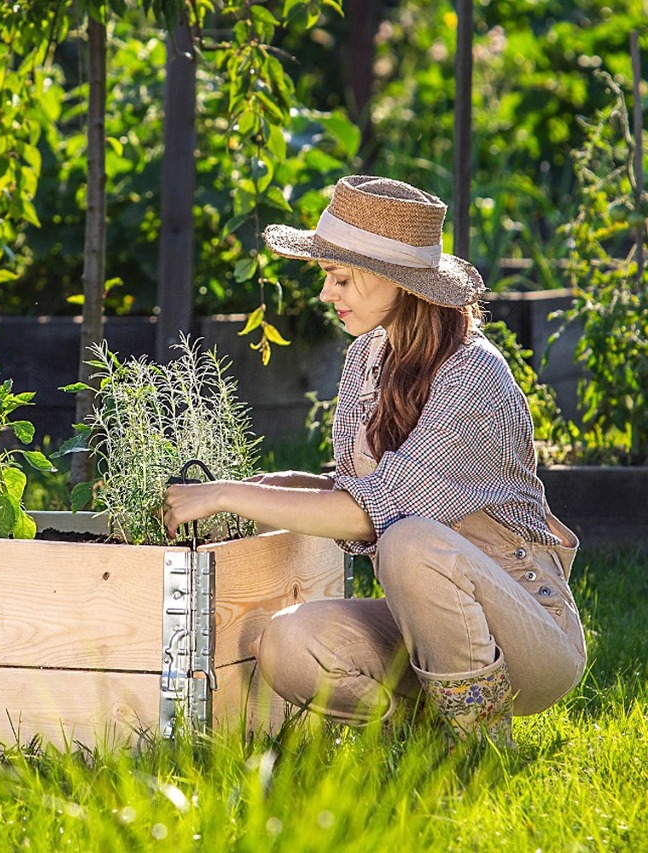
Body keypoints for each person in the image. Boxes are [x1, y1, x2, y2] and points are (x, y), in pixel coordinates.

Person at [161, 175, 585, 747]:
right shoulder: (368, 355)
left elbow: (375, 514)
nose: (326, 294)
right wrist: (276, 487)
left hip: (529, 630)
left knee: (410, 542)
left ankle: (482, 742)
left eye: (340, 279)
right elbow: (356, 490)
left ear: (394, 281)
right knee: (286, 642)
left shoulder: (474, 375)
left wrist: (228, 494)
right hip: (428, 624)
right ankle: (417, 735)